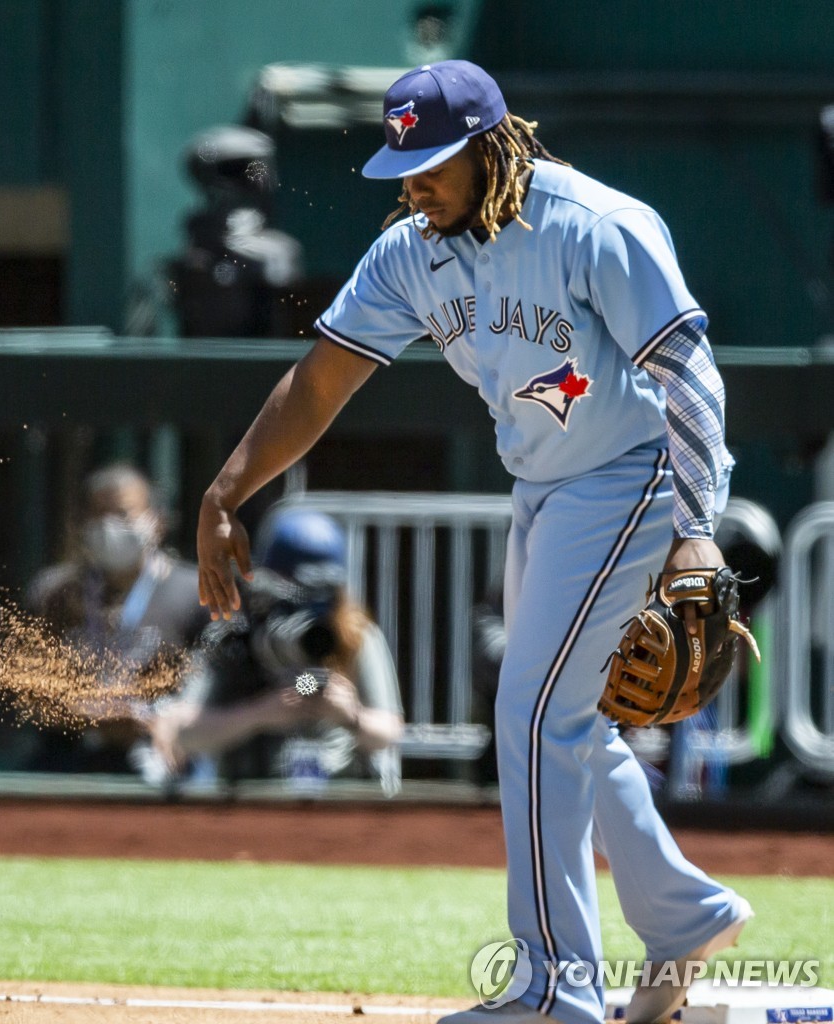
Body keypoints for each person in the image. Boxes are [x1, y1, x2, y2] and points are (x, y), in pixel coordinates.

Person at [195, 60, 752, 1024]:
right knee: (564, 719)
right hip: (541, 486)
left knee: (534, 715)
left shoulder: (595, 227)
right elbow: (321, 382)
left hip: (629, 477)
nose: (414, 185)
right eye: (404, 165)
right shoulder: (414, 250)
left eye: (435, 165)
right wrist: (228, 486)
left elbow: (691, 383)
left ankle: (551, 992)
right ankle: (684, 914)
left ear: (495, 149)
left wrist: (695, 531)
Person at [148, 507, 403, 795]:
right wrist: (257, 714)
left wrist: (351, 716)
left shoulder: (353, 633)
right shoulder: (236, 637)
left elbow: (389, 731)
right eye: (293, 591)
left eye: (321, 591)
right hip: (249, 798)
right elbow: (182, 730)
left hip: (338, 799)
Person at [27, 463, 209, 771]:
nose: (110, 527)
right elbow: (25, 693)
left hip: (164, 758)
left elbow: (214, 681)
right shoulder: (52, 594)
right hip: (66, 759)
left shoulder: (196, 593)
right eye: (99, 516)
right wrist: (88, 713)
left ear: (156, 520)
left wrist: (164, 717)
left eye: (123, 514)